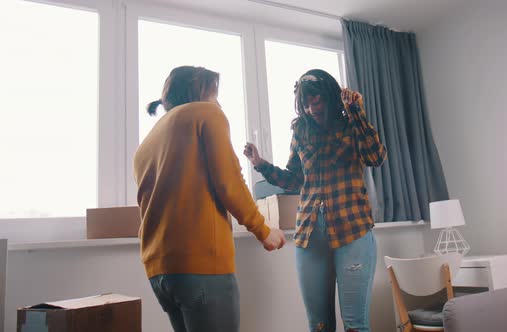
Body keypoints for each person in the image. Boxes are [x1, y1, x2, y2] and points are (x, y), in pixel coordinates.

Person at [133, 65, 286, 332]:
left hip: (160, 270)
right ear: (201, 92)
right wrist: (263, 231)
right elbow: (229, 181)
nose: (219, 103)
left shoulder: (148, 142)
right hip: (200, 264)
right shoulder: (206, 113)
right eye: (215, 95)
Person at [244, 69, 386, 332]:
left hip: (352, 231)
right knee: (319, 326)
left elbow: (375, 157)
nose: (311, 109)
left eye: (316, 100)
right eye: (305, 104)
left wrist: (355, 111)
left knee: (355, 324)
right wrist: (261, 164)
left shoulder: (350, 123)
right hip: (310, 234)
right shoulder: (301, 130)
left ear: (330, 97)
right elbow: (295, 179)